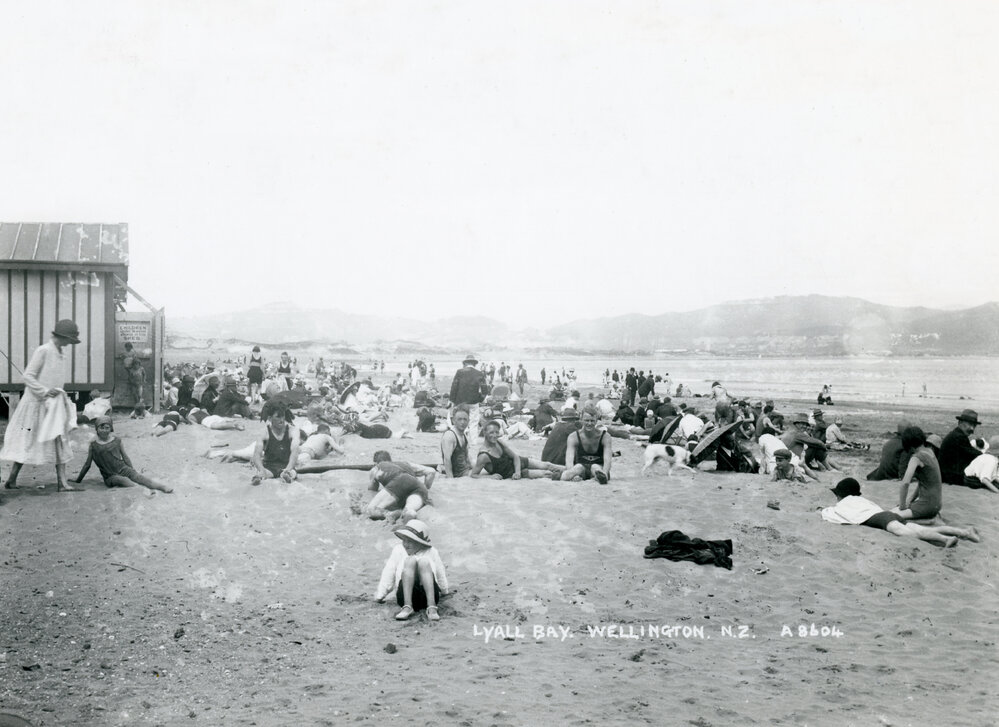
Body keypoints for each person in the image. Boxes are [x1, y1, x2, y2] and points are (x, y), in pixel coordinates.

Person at [1, 319, 82, 494]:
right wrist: (44, 391)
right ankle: (11, 479)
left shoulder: (62, 354)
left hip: (53, 404)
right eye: (69, 339)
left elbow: (56, 379)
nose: (69, 343)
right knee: (26, 441)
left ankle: (62, 483)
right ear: (62, 336)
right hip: (34, 404)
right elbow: (28, 376)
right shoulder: (43, 350)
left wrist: (58, 396)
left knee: (59, 439)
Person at [822, 477, 978, 547]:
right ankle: (964, 532)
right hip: (888, 515)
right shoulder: (861, 500)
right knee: (921, 529)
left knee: (911, 533)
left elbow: (832, 514)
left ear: (840, 495)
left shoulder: (844, 503)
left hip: (882, 520)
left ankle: (945, 540)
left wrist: (823, 511)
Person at [374, 520, 448, 622]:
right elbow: (389, 572)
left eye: (410, 541)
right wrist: (380, 595)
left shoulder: (432, 552)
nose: (406, 544)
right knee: (410, 561)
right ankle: (407, 607)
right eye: (404, 540)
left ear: (420, 543)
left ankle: (432, 608)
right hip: (405, 595)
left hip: (428, 596)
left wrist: (444, 591)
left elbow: (440, 572)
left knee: (424, 562)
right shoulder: (398, 550)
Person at [74, 416, 173, 493]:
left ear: (111, 429)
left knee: (140, 478)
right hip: (110, 476)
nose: (104, 430)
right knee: (124, 480)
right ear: (97, 429)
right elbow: (87, 464)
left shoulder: (117, 440)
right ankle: (145, 491)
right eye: (101, 428)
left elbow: (125, 457)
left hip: (123, 468)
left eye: (107, 428)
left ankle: (162, 487)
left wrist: (132, 470)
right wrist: (78, 480)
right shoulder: (93, 445)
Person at [472, 421, 562, 479]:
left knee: (548, 465)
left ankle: (568, 469)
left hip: (519, 464)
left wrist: (517, 472)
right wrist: (490, 477)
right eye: (491, 432)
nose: (495, 435)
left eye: (496, 432)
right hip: (512, 473)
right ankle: (568, 474)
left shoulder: (499, 442)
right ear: (484, 433)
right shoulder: (483, 456)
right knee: (547, 474)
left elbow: (515, 457)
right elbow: (474, 474)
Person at [894, 426, 942, 521]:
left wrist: (902, 506)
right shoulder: (930, 452)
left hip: (927, 506)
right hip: (936, 505)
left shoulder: (916, 457)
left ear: (909, 445)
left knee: (890, 514)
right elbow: (924, 482)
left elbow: (905, 483)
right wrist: (910, 500)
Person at [365, 456, 435, 521]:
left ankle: (391, 514)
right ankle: (407, 513)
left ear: (375, 463)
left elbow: (372, 491)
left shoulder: (377, 467)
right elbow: (431, 471)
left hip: (401, 480)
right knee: (409, 510)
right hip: (419, 486)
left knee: (371, 509)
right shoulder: (406, 464)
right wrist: (426, 488)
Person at [561, 404, 612, 483]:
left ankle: (600, 476)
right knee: (574, 470)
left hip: (598, 467)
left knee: (595, 467)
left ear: (596, 421)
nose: (589, 423)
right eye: (586, 420)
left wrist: (605, 473)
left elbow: (607, 460)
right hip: (581, 468)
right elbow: (569, 459)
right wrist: (573, 475)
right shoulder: (573, 437)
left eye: (592, 421)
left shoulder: (605, 437)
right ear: (581, 420)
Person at [251, 403, 300, 485]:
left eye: (283, 416)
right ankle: (259, 477)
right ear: (270, 418)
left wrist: (288, 469)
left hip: (287, 466)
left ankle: (287, 475)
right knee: (261, 474)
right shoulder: (264, 432)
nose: (282, 420)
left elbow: (295, 452)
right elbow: (256, 455)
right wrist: (261, 470)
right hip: (269, 467)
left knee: (292, 473)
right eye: (278, 417)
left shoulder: (293, 431)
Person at [939, 409, 983, 485]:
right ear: (960, 422)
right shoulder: (959, 437)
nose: (972, 429)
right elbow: (974, 454)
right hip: (950, 477)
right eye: (970, 424)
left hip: (947, 474)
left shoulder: (956, 434)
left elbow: (970, 452)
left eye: (974, 426)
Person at [449, 354, 488, 441]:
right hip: (474, 402)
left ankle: (460, 441)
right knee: (474, 423)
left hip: (461, 402)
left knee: (461, 421)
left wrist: (452, 400)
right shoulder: (479, 373)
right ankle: (473, 442)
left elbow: (454, 387)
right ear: (474, 364)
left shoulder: (459, 372)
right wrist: (479, 399)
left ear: (465, 363)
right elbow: (485, 390)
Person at [440, 405, 472, 478]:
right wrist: (451, 480)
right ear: (453, 421)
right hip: (458, 475)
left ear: (468, 421)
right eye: (459, 419)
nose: (462, 422)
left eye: (465, 419)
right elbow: (447, 459)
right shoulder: (449, 436)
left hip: (466, 472)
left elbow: (468, 458)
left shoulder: (464, 435)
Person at [122, 342, 146, 408]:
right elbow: (123, 357)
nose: (128, 348)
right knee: (134, 392)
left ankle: (139, 402)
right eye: (127, 347)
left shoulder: (141, 368)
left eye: (129, 347)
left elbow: (144, 374)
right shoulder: (125, 352)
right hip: (128, 366)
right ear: (125, 347)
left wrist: (144, 380)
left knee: (139, 393)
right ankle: (137, 403)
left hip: (139, 383)